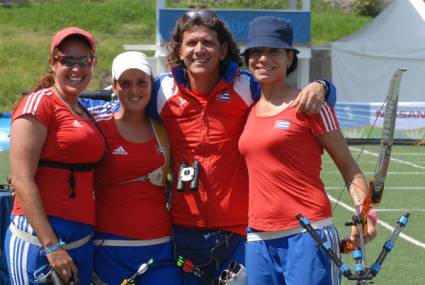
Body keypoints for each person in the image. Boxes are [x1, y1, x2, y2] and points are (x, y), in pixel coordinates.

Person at [82, 8, 335, 284]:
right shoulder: (162, 90)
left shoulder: (245, 86)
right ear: (179, 50)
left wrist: (323, 86)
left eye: (208, 43)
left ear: (223, 49)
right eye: (191, 43)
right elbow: (125, 98)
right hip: (185, 231)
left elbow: (289, 98)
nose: (199, 50)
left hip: (238, 231)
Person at [238, 16, 377, 285]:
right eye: (256, 52)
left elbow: (349, 167)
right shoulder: (248, 106)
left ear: (290, 58)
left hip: (309, 235)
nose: (263, 58)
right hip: (258, 237)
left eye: (273, 51)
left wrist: (366, 212)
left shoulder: (312, 106)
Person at [5, 27, 105, 284]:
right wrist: (51, 246)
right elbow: (20, 178)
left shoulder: (83, 110)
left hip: (79, 241)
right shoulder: (38, 103)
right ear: (52, 63)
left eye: (83, 60)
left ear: (93, 63)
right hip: (40, 243)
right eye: (67, 61)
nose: (76, 68)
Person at [91, 51, 180, 285]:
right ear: (114, 86)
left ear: (152, 84)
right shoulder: (97, 124)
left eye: (142, 83)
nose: (134, 91)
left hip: (160, 248)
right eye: (125, 83)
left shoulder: (164, 127)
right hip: (109, 248)